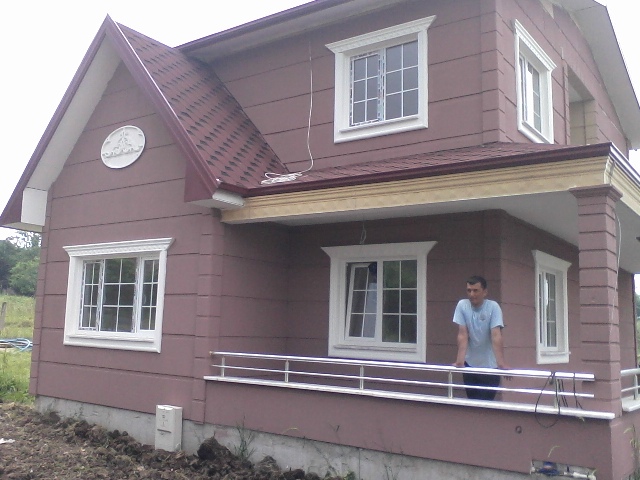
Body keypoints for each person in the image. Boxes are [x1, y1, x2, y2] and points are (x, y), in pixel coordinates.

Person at [453, 275, 507, 400]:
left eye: (475, 290)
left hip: (490, 367)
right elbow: (462, 334)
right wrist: (460, 360)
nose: (472, 294)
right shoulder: (462, 305)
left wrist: (501, 364)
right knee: (472, 404)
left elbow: (496, 335)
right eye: (469, 290)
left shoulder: (493, 307)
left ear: (485, 292)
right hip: (470, 365)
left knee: (485, 405)